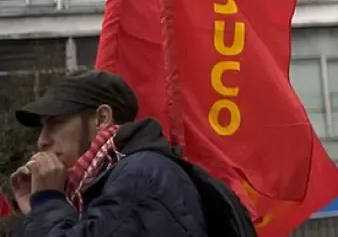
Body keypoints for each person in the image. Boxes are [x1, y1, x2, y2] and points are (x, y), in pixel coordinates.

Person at [8, 69, 253, 236]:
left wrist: (48, 201)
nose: (42, 141)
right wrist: (34, 210)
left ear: (101, 118)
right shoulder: (106, 181)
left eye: (56, 122)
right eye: (42, 128)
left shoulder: (141, 175)